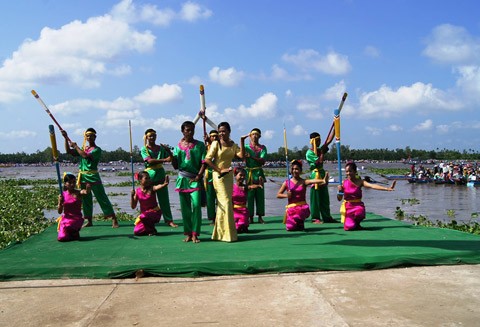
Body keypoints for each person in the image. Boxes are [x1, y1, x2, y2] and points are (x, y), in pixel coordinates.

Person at [61, 128, 119, 228]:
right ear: (85, 137)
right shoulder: (84, 148)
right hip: (83, 176)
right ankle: (89, 220)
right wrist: (65, 138)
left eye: (91, 135)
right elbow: (68, 151)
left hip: (93, 176)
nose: (89, 137)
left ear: (95, 137)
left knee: (101, 197)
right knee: (86, 199)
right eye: (87, 136)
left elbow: (85, 156)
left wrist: (76, 146)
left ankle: (113, 218)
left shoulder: (97, 150)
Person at [204, 122, 248, 242]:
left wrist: (242, 141)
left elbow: (241, 155)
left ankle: (220, 233)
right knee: (226, 202)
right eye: (220, 131)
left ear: (229, 131)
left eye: (224, 131)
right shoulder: (216, 143)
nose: (221, 133)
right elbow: (207, 160)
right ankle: (226, 234)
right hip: (218, 175)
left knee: (224, 203)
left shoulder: (233, 144)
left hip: (228, 176)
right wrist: (219, 170)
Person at [171, 121, 206, 243]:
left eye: (192, 130)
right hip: (182, 178)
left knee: (196, 205)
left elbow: (204, 162)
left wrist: (199, 177)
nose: (190, 132)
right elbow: (175, 166)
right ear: (183, 131)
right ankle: (188, 233)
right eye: (187, 130)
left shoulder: (200, 145)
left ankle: (195, 233)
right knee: (185, 208)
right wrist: (171, 155)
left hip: (195, 178)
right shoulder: (178, 146)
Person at [337, 161, 396, 231]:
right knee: (349, 227)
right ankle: (353, 223)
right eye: (346, 171)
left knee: (359, 213)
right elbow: (339, 199)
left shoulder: (360, 182)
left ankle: (357, 223)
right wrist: (339, 191)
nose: (348, 173)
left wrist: (387, 188)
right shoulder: (344, 183)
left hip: (358, 206)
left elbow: (372, 186)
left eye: (350, 171)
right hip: (348, 207)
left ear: (355, 171)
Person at [141, 128, 178, 228]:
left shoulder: (161, 148)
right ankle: (148, 220)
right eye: (150, 136)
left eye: (154, 135)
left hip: (160, 175)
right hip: (149, 177)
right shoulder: (144, 149)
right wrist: (164, 159)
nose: (152, 137)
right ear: (146, 137)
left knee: (164, 200)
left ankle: (169, 220)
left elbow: (171, 158)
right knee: (149, 200)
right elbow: (149, 161)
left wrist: (168, 151)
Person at [277, 160, 329, 231]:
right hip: (292, 209)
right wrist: (287, 195)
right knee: (290, 228)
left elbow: (312, 181)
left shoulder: (303, 181)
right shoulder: (287, 183)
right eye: (293, 169)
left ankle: (300, 221)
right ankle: (298, 223)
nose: (294, 171)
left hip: (302, 208)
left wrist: (323, 180)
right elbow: (278, 195)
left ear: (300, 171)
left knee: (298, 215)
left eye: (296, 169)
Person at [306, 131, 336, 224]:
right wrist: (322, 153)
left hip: (322, 174)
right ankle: (315, 218)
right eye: (318, 141)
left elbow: (328, 141)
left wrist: (335, 126)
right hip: (315, 175)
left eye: (320, 140)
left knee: (324, 197)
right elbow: (319, 162)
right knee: (315, 198)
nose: (319, 142)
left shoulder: (320, 149)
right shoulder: (309, 153)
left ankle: (327, 216)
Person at [130, 171, 169, 236]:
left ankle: (152, 230)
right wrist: (132, 196)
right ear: (140, 179)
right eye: (146, 178)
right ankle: (148, 229)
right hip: (144, 216)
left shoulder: (152, 188)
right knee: (137, 232)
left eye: (149, 178)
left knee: (144, 216)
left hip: (155, 213)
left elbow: (158, 186)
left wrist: (164, 184)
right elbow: (133, 206)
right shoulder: (137, 191)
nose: (148, 180)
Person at [56, 173, 91, 241]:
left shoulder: (78, 193)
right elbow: (59, 212)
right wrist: (60, 202)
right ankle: (73, 234)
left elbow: (85, 192)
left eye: (74, 182)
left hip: (76, 219)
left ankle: (74, 232)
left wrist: (88, 189)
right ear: (65, 183)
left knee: (70, 226)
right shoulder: (62, 195)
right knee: (61, 238)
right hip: (66, 219)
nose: (72, 184)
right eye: (69, 182)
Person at [245, 128, 267, 224]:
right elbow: (240, 154)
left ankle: (260, 216)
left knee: (260, 195)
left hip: (258, 172)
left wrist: (252, 157)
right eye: (253, 134)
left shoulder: (263, 148)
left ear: (260, 136)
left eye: (256, 134)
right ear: (250, 136)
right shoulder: (246, 147)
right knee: (249, 196)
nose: (254, 136)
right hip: (249, 173)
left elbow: (262, 161)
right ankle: (250, 217)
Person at [232, 167, 262, 233]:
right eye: (240, 175)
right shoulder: (231, 187)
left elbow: (252, 186)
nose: (242, 177)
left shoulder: (245, 187)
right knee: (236, 229)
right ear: (235, 175)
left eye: (244, 176)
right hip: (234, 211)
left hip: (243, 211)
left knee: (242, 225)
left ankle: (244, 225)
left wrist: (259, 185)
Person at [204, 130, 219, 224]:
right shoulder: (205, 148)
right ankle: (212, 218)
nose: (214, 138)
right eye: (212, 136)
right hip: (209, 174)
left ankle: (220, 217)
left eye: (216, 136)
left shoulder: (220, 146)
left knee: (221, 197)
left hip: (218, 173)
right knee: (210, 198)